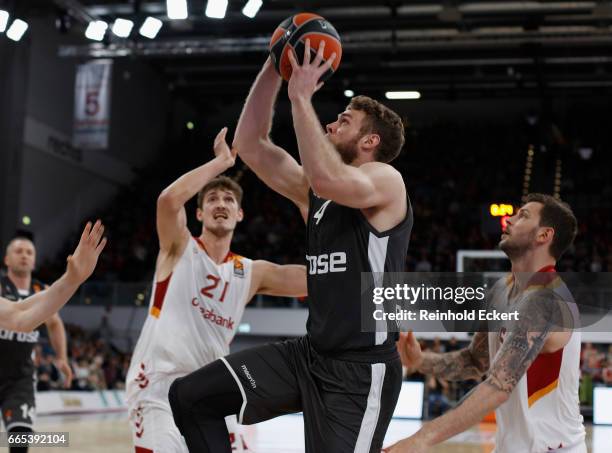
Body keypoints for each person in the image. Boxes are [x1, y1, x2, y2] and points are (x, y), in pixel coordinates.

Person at [169, 40, 412, 453]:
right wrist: (274, 63)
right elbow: (250, 143)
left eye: (344, 121)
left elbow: (328, 179)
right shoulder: (313, 192)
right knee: (191, 398)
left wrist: (301, 97)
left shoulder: (386, 180)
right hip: (309, 356)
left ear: (370, 141)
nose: (332, 125)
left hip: (360, 372)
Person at [126, 129, 307, 453]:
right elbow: (168, 200)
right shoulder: (178, 247)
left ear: (239, 215)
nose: (220, 203)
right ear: (199, 213)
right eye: (212, 199)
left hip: (208, 392)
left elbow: (316, 280)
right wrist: (221, 162)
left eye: (228, 200)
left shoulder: (252, 272)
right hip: (157, 384)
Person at [385, 193, 586, 453]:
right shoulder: (501, 290)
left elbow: (498, 386)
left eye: (523, 215)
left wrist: (422, 438)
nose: (510, 219)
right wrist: (420, 361)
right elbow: (474, 362)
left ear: (544, 235)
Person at [0, 221, 106, 452]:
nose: (24, 256)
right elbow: (19, 316)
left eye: (29, 252)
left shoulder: (41, 290)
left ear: (35, 260)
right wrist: (71, 280)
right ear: (6, 260)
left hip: (20, 379)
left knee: (20, 441)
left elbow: (50, 322)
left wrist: (61, 357)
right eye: (18, 251)